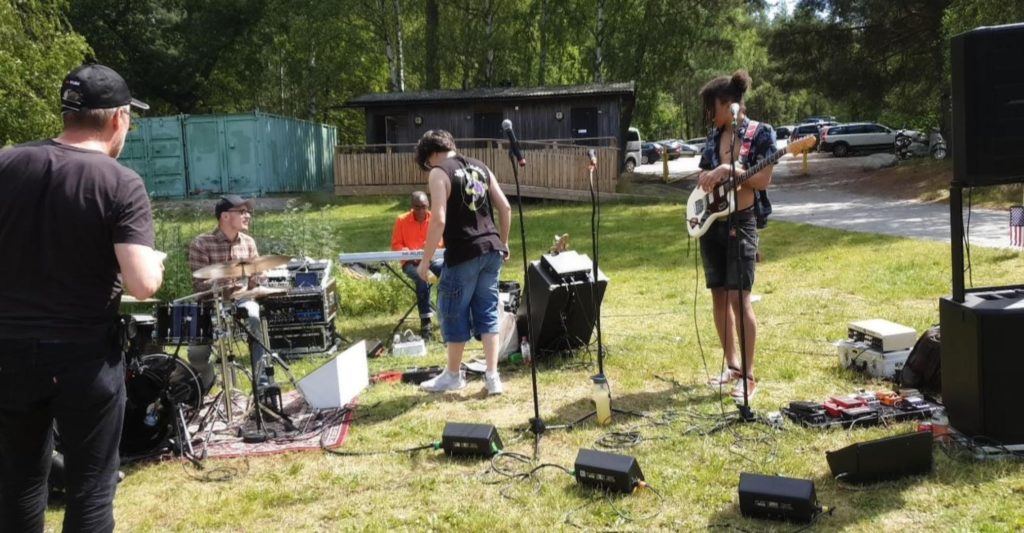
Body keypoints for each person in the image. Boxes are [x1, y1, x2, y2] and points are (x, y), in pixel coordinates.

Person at [0, 63, 163, 532]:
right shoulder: (118, 182)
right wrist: (154, 262)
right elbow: (142, 284)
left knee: (18, 485)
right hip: (82, 359)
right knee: (90, 490)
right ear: (118, 119)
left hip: (7, 354)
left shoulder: (7, 163)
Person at [695, 70, 776, 403]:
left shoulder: (760, 133)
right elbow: (704, 171)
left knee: (738, 298)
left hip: (741, 223)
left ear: (728, 105)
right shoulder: (714, 137)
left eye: (710, 108)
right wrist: (707, 177)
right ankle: (732, 366)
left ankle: (750, 375)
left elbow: (763, 180)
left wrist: (729, 171)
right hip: (710, 223)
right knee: (718, 295)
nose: (708, 115)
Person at [413, 130, 512, 395]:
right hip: (491, 249)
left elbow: (439, 220)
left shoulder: (438, 172)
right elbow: (505, 208)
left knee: (452, 311)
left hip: (464, 252)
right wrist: (504, 242)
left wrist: (424, 262)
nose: (428, 169)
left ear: (430, 155)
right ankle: (492, 377)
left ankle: (453, 375)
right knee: (488, 312)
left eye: (425, 164)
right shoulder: (481, 167)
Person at [187, 195, 267, 392]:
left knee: (255, 317)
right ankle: (208, 383)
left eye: (248, 212)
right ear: (225, 216)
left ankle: (263, 383)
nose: (247, 215)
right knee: (196, 356)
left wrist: (259, 279)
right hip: (210, 306)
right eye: (242, 212)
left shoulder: (248, 242)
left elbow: (259, 275)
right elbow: (199, 284)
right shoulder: (201, 243)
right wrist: (225, 284)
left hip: (241, 302)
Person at [391, 191, 444, 339]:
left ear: (429, 206)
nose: (421, 210)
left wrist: (428, 252)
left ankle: (444, 312)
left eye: (424, 207)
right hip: (410, 263)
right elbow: (396, 245)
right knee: (422, 276)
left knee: (448, 271)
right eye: (417, 207)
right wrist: (410, 253)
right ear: (411, 206)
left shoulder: (436, 219)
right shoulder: (401, 220)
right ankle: (426, 320)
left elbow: (441, 243)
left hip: (433, 260)